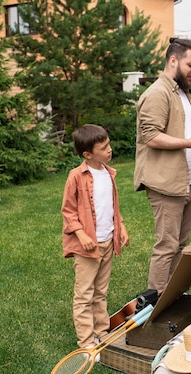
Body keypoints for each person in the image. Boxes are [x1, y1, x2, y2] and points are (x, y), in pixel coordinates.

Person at [134, 37, 191, 294]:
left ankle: (171, 296)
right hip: (165, 183)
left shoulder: (182, 93)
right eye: (190, 65)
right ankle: (155, 303)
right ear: (173, 60)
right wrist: (190, 142)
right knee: (167, 246)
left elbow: (187, 133)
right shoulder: (158, 93)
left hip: (186, 182)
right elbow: (151, 136)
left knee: (181, 244)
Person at [62, 124, 129, 349]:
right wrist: (81, 234)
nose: (109, 150)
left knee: (100, 292)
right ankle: (86, 343)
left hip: (108, 241)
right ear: (87, 154)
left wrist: (121, 226)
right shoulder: (76, 177)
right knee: (84, 296)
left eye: (108, 144)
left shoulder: (109, 174)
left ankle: (102, 333)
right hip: (88, 247)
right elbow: (68, 211)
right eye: (103, 148)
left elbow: (111, 206)